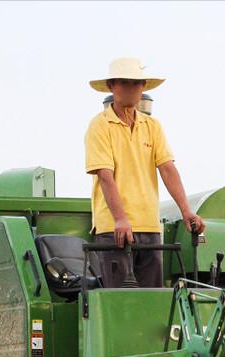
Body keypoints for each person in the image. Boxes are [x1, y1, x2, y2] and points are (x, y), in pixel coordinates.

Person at [85, 57, 205, 287]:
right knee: (120, 302)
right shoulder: (99, 126)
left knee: (152, 301)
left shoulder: (152, 126)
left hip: (149, 226)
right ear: (112, 86)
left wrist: (186, 211)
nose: (131, 88)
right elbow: (105, 175)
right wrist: (120, 218)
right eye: (124, 82)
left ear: (143, 88)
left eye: (136, 83)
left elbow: (168, 169)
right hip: (114, 228)